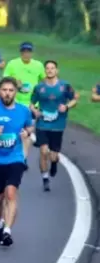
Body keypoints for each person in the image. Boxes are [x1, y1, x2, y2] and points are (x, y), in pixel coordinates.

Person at [0, 77, 34, 247]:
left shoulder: (23, 110)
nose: (7, 93)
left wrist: (27, 133)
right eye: (4, 90)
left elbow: (30, 126)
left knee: (10, 193)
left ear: (15, 92)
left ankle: (7, 231)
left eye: (10, 90)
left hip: (15, 158)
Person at [30, 60, 79, 191]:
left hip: (58, 125)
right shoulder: (39, 87)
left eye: (52, 68)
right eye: (47, 68)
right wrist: (35, 111)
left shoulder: (65, 86)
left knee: (53, 155)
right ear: (45, 71)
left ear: (57, 70)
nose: (50, 70)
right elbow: (32, 103)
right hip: (42, 124)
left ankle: (54, 162)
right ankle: (45, 179)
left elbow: (74, 100)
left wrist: (66, 106)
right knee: (43, 151)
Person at [2, 42, 44, 167]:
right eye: (24, 51)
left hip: (32, 105)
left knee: (27, 132)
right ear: (20, 52)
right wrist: (15, 83)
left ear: (32, 52)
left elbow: (44, 82)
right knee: (15, 131)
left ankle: (23, 158)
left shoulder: (38, 65)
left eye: (28, 51)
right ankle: (15, 155)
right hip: (16, 104)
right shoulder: (12, 64)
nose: (26, 54)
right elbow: (4, 81)